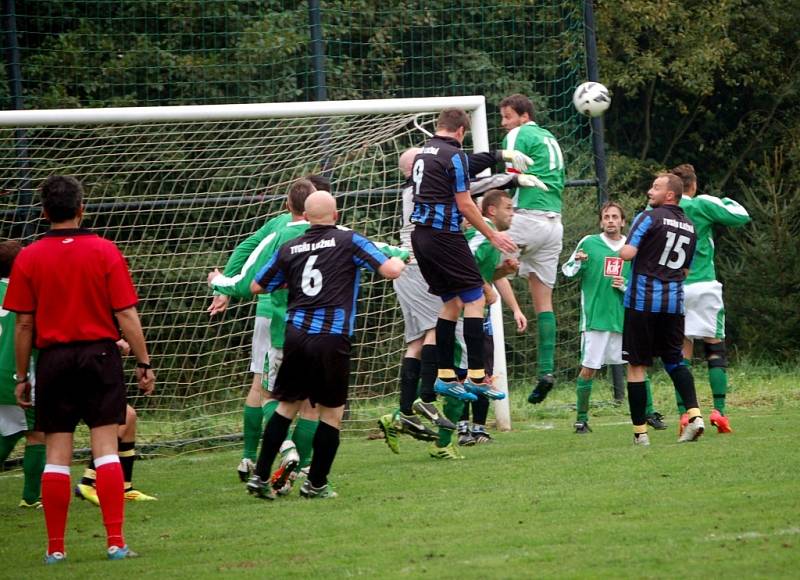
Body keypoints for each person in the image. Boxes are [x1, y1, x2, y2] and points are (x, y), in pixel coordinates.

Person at [3, 175, 155, 563]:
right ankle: (115, 542)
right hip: (99, 357)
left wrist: (23, 376)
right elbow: (125, 313)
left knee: (57, 452)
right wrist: (143, 362)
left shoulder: (29, 257)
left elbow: (23, 323)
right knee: (105, 449)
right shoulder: (105, 250)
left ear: (43, 212)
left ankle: (55, 550)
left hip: (52, 361)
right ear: (81, 208)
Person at [244, 190, 405, 499]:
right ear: (336, 216)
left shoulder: (290, 247)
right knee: (332, 413)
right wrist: (401, 259)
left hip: (296, 336)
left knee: (286, 406)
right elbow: (389, 271)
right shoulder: (348, 241)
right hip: (331, 338)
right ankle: (316, 483)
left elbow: (256, 285)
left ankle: (260, 476)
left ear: (304, 217)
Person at [410, 109, 517, 460]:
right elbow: (464, 202)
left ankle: (444, 376)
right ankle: (476, 375)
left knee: (451, 304)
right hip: (444, 236)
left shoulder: (425, 151)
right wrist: (493, 236)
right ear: (460, 131)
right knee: (477, 298)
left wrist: (499, 156)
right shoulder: (454, 154)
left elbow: (467, 165)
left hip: (421, 238)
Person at [208, 176, 328, 482]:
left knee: (263, 388)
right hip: (311, 322)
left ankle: (252, 457)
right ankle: (298, 463)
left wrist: (222, 286)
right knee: (306, 397)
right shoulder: (330, 234)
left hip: (273, 315)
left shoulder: (278, 226)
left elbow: (246, 252)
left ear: (289, 204)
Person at [561, 202, 666, 434]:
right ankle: (581, 419)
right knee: (588, 369)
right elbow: (567, 270)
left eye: (615, 217)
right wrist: (578, 260)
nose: (610, 220)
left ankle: (648, 413)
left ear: (622, 221)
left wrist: (625, 286)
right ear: (601, 221)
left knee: (637, 366)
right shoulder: (589, 242)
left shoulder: (632, 247)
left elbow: (642, 283)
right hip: (596, 319)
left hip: (625, 319)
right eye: (606, 217)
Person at [619, 174, 702, 446]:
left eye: (655, 187)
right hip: (673, 304)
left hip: (643, 302)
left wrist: (623, 248)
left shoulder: (648, 217)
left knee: (636, 366)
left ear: (670, 195)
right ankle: (695, 415)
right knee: (675, 361)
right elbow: (686, 270)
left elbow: (628, 253)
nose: (649, 190)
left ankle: (640, 434)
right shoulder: (690, 227)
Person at [669, 164, 751, 434]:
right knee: (715, 347)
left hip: (675, 287)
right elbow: (741, 216)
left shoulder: (661, 211)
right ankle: (720, 411)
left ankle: (686, 415)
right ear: (692, 186)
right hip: (704, 285)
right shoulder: (703, 204)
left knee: (682, 351)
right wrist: (725, 200)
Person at [499, 93, 566, 405]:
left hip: (527, 219)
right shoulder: (549, 137)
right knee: (543, 301)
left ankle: (460, 372)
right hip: (554, 225)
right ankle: (546, 370)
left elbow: (510, 178)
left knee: (469, 268)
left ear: (523, 115)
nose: (504, 124)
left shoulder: (519, 134)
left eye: (507, 117)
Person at [456, 189, 527, 445]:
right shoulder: (482, 234)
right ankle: (463, 428)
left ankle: (478, 428)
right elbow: (462, 264)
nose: (513, 213)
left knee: (482, 368)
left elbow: (483, 272)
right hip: (462, 313)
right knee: (466, 369)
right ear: (491, 210)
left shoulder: (493, 239)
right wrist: (486, 288)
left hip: (478, 313)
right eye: (509, 208)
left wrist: (502, 272)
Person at [0, 240, 45, 509]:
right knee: (37, 432)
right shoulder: (24, 295)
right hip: (14, 375)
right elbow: (31, 332)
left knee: (8, 430)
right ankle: (31, 497)